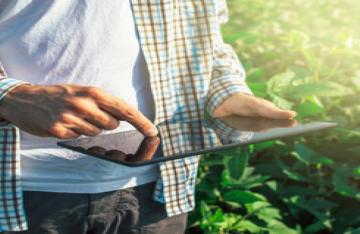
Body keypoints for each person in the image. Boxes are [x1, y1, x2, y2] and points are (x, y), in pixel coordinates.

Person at [0, 0, 296, 233]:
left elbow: (205, 29)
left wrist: (226, 93)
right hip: (22, 192)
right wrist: (9, 96)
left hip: (159, 189)